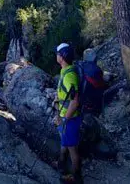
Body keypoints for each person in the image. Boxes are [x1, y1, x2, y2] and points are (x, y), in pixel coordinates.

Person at [53, 43, 82, 183]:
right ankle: (61, 164)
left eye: (58, 53)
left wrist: (65, 119)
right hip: (65, 116)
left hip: (70, 119)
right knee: (65, 144)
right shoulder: (64, 70)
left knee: (73, 150)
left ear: (62, 56)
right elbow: (66, 93)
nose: (56, 55)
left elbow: (75, 102)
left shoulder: (69, 75)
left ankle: (77, 177)